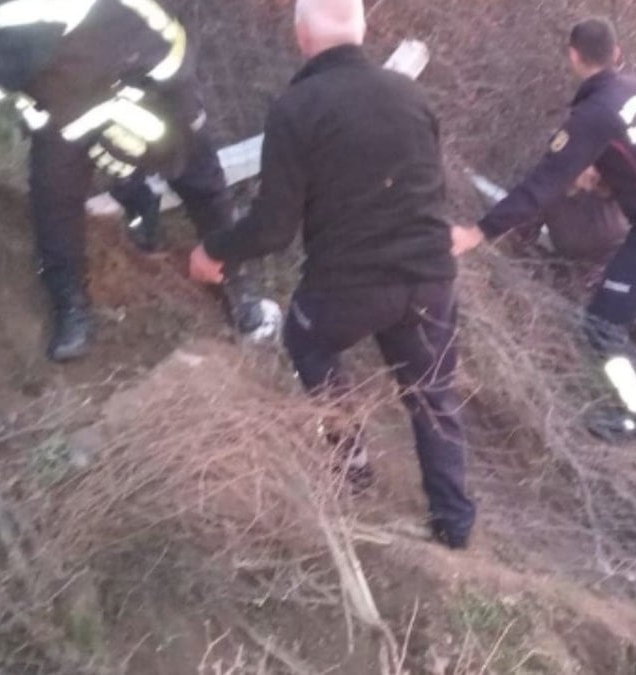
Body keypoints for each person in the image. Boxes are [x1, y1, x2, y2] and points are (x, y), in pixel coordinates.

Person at [188, 0, 476, 549]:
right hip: (429, 277)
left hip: (349, 286)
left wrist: (215, 251)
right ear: (361, 32)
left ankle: (351, 465)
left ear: (302, 36)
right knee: (432, 394)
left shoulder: (296, 107)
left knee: (307, 340)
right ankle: (455, 522)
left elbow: (273, 228)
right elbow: (429, 190)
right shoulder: (411, 95)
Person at [0, 0, 274, 362]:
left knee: (197, 177)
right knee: (53, 199)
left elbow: (17, 57)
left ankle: (235, 282)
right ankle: (71, 304)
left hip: (143, 66)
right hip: (63, 96)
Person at [451, 17, 636, 439]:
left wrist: (478, 232)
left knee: (601, 325)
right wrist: (611, 176)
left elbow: (542, 184)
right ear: (617, 53)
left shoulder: (593, 115)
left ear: (574, 56)